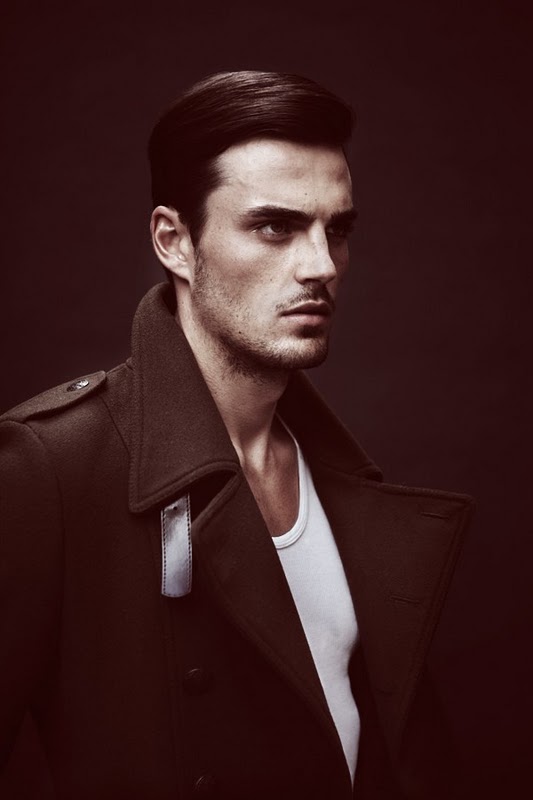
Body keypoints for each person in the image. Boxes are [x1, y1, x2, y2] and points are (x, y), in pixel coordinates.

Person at [0, 71, 473, 799]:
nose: (321, 266)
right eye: (275, 227)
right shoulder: (50, 466)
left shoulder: (335, 475)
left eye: (337, 230)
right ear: (174, 242)